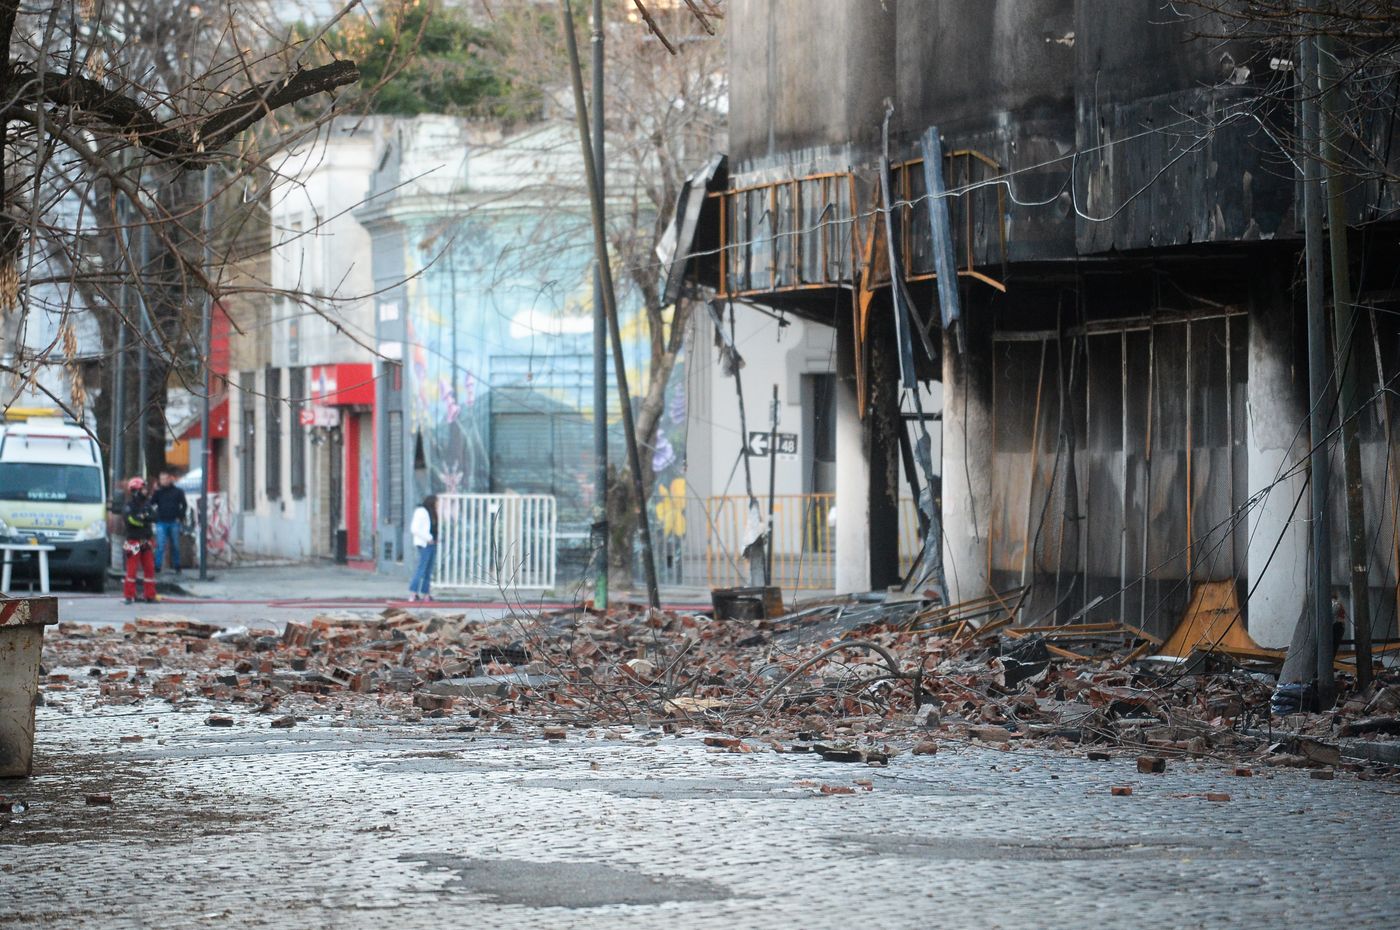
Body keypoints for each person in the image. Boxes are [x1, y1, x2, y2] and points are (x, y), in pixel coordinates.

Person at [122, 477, 158, 605]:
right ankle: (129, 595)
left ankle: (150, 595)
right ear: (136, 490)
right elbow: (131, 520)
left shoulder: (147, 504)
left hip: (146, 541)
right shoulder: (129, 506)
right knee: (132, 569)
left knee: (149, 568)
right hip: (133, 542)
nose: (145, 491)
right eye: (143, 489)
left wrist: (143, 517)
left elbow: (154, 516)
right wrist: (144, 518)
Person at [151, 469, 188, 574]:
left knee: (175, 545)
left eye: (165, 478)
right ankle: (157, 566)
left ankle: (177, 565)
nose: (163, 481)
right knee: (160, 545)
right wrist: (154, 492)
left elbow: (184, 505)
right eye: (161, 479)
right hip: (161, 521)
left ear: (170, 479)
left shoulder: (178, 492)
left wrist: (180, 517)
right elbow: (151, 503)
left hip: (174, 521)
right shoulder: (158, 492)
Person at [408, 495, 438, 602]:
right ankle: (413, 592)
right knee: (421, 568)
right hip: (424, 544)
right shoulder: (421, 511)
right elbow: (415, 529)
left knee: (428, 570)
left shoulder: (433, 513)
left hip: (432, 543)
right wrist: (428, 538)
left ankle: (426, 593)